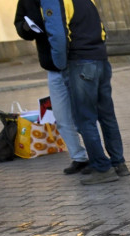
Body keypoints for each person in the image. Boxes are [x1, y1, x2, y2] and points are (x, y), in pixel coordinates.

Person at [13, 0, 91, 175]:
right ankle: (79, 157)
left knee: (82, 115)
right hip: (52, 66)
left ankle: (96, 156)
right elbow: (19, 23)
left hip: (75, 61)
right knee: (62, 116)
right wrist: (25, 28)